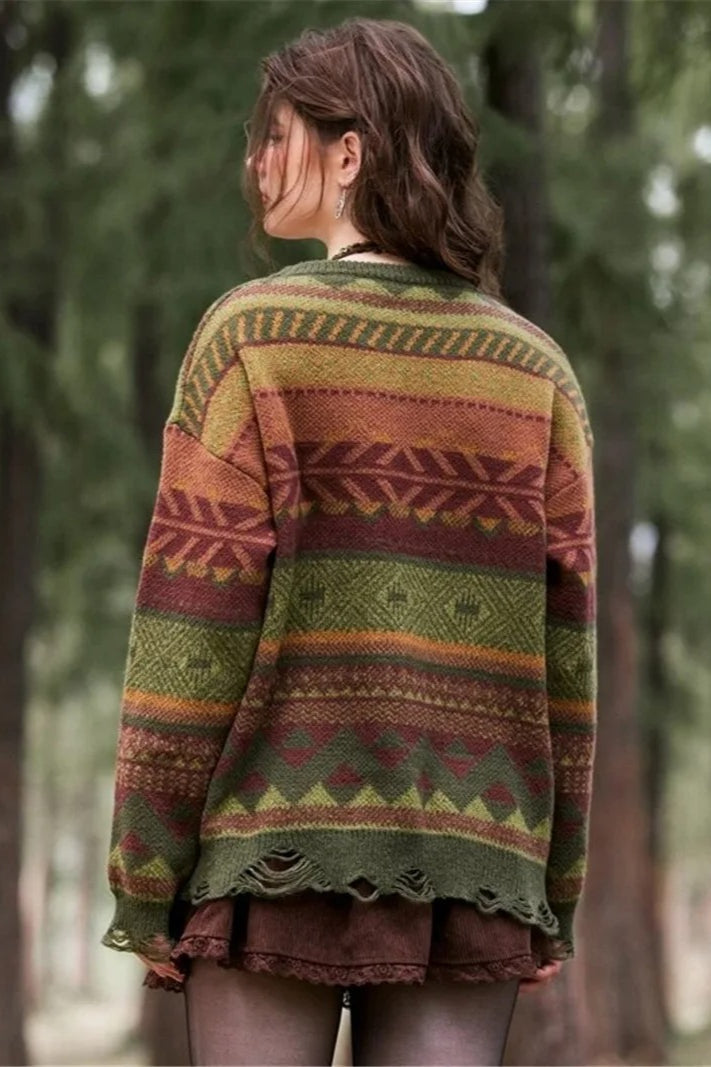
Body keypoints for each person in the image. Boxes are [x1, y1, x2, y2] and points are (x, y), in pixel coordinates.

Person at [101, 15, 597, 1067]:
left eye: (276, 134)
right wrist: (552, 887)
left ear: (350, 153)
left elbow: (191, 628)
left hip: (272, 855)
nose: (254, 160)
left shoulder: (251, 338)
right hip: (474, 866)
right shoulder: (536, 374)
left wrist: (146, 873)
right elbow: (567, 662)